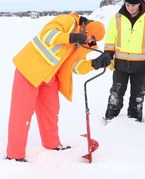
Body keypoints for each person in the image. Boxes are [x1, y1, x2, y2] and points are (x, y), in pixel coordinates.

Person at [6, 12, 111, 162]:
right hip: (29, 69)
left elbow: (75, 66)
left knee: (51, 111)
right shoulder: (67, 21)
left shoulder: (84, 45)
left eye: (94, 39)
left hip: (50, 76)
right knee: (22, 114)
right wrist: (71, 37)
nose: (90, 40)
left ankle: (52, 144)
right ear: (85, 27)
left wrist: (94, 64)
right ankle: (14, 155)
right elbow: (47, 35)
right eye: (91, 35)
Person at [104, 0, 145, 122]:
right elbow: (110, 38)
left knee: (138, 95)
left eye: (133, 5)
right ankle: (110, 119)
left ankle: (135, 122)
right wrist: (108, 56)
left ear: (139, 3)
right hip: (120, 63)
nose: (130, 8)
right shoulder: (117, 18)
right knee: (116, 94)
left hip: (141, 65)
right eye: (128, 5)